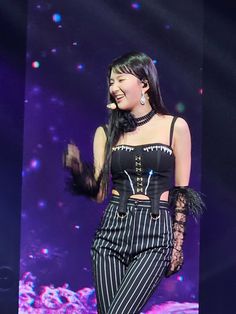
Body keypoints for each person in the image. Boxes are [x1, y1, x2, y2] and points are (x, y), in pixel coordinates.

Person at [63, 51, 205, 314]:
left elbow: (182, 191)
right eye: (110, 82)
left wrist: (177, 244)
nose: (113, 88)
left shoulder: (176, 127)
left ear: (144, 83)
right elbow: (99, 193)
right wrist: (77, 170)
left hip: (154, 236)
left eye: (120, 80)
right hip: (111, 235)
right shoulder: (106, 133)